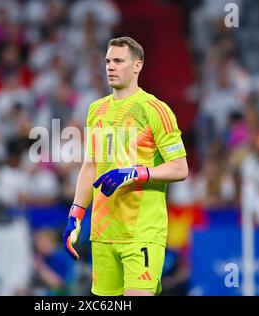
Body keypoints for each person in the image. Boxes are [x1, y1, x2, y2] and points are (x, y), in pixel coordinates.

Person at [63, 37, 188, 296]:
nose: (111, 66)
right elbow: (90, 165)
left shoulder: (155, 110)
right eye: (108, 61)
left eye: (119, 61)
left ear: (137, 66)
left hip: (141, 233)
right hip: (103, 233)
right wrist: (76, 213)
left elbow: (179, 168)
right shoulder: (96, 110)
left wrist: (137, 173)